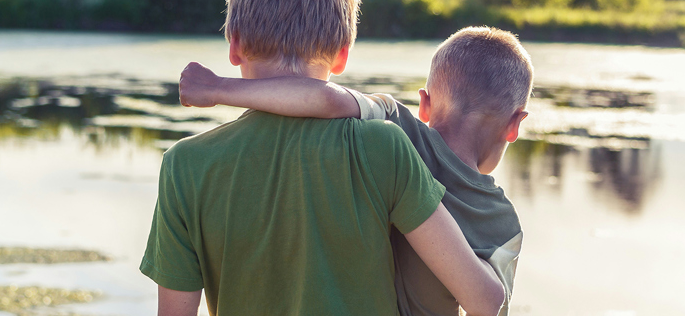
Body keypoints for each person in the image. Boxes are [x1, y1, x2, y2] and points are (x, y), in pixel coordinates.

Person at [140, 0, 505, 316]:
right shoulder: (384, 147)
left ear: (234, 46)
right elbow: (484, 300)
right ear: (343, 54)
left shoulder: (185, 165)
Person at [178, 26, 533, 316]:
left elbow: (326, 98)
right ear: (515, 125)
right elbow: (489, 306)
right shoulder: (503, 223)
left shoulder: (399, 125)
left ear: (425, 104)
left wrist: (218, 89)